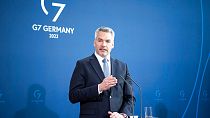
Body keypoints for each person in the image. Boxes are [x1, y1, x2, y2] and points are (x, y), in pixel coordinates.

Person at [69, 26, 135, 118]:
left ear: (112, 44)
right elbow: (73, 96)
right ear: (94, 43)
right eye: (100, 40)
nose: (103, 44)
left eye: (108, 41)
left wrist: (123, 115)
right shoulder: (82, 64)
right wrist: (99, 87)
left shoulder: (122, 66)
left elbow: (130, 98)